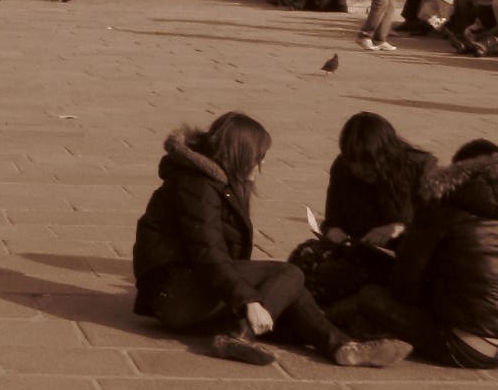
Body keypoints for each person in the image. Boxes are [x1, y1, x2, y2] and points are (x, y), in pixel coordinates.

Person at [132, 113, 410, 368]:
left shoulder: (215, 182)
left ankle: (344, 349)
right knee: (289, 273)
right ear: (239, 155)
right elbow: (208, 254)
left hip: (191, 291)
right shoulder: (198, 186)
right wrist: (248, 300)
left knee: (292, 302)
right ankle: (239, 335)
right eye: (258, 156)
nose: (261, 164)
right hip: (175, 294)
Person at [332, 141, 498, 369]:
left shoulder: (443, 209)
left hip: (465, 346)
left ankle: (363, 333)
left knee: (371, 296)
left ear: (456, 172)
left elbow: (404, 282)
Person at [291, 111, 436, 308]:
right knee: (302, 261)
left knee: (341, 281)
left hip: (402, 258)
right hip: (359, 250)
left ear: (386, 154)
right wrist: (334, 231)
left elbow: (436, 225)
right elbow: (334, 217)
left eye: (367, 162)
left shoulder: (420, 168)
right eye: (354, 162)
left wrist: (400, 228)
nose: (359, 169)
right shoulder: (343, 168)